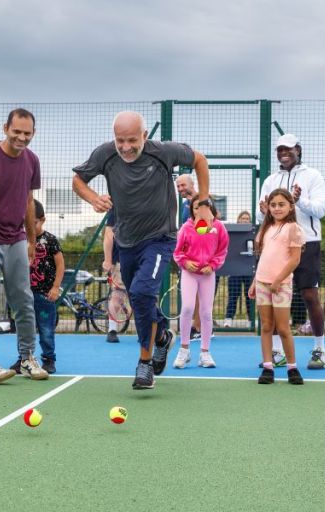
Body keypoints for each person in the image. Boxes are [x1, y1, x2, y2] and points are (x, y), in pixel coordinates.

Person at [73, 111, 213, 390]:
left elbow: (200, 160)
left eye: (132, 140)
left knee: (141, 292)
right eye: (120, 140)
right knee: (139, 301)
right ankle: (162, 335)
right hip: (126, 241)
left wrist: (204, 202)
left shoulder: (164, 152)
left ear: (145, 136)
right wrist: (93, 199)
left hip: (159, 238)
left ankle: (144, 364)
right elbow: (78, 180)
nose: (125, 147)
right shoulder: (105, 154)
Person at [0, 108, 49, 384]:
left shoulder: (32, 161)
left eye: (27, 133)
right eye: (17, 132)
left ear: (33, 133)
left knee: (24, 302)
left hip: (16, 239)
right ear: (5, 128)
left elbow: (28, 201)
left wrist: (31, 239)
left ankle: (27, 358)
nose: (22, 138)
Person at [256, 133, 325, 370]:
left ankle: (320, 348)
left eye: (288, 149)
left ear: (298, 149)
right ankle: (276, 351)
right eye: (279, 150)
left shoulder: (313, 175)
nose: (283, 153)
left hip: (307, 242)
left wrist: (300, 201)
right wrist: (264, 210)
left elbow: (320, 211)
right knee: (274, 292)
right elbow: (261, 215)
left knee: (309, 295)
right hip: (275, 246)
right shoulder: (270, 179)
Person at [249, 188, 305, 385]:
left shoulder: (293, 228)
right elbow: (264, 258)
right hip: (263, 283)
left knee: (283, 328)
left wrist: (278, 280)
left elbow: (295, 259)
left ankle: (292, 368)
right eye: (273, 205)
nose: (277, 208)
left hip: (281, 286)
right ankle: (267, 367)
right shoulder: (266, 229)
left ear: (290, 206)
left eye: (281, 204)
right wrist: (256, 281)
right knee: (266, 326)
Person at [172, 198, 229, 368]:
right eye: (196, 207)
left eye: (204, 207)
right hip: (189, 274)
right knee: (188, 307)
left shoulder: (218, 227)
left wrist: (212, 266)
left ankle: (205, 353)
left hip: (207, 275)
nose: (200, 211)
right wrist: (185, 262)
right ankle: (184, 350)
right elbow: (178, 251)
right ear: (192, 210)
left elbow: (222, 250)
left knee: (206, 312)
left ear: (210, 209)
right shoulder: (186, 227)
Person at [26, 199, 64, 374]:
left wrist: (56, 287)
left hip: (45, 294)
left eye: (33, 222)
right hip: (25, 293)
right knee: (25, 328)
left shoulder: (50, 240)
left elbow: (60, 265)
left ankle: (49, 359)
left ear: (42, 219)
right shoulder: (21, 240)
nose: (29, 226)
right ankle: (24, 358)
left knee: (46, 328)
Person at [175, 174, 202, 340]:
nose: (180, 189)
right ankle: (197, 326)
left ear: (192, 184)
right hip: (188, 257)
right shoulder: (185, 205)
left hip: (202, 257)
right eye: (178, 187)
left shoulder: (202, 201)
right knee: (193, 295)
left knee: (200, 294)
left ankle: (199, 327)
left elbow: (216, 217)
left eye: (183, 185)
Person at [223, 210, 252, 328]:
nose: (244, 220)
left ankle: (251, 320)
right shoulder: (233, 234)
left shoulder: (252, 232)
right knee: (233, 294)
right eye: (242, 218)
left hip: (249, 269)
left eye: (247, 219)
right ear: (238, 220)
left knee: (249, 295)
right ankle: (228, 319)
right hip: (235, 269)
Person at [102, 208, 125, 343]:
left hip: (140, 259)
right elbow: (108, 234)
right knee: (117, 295)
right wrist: (108, 260)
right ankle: (112, 329)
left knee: (140, 295)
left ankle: (112, 331)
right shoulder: (116, 208)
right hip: (121, 260)